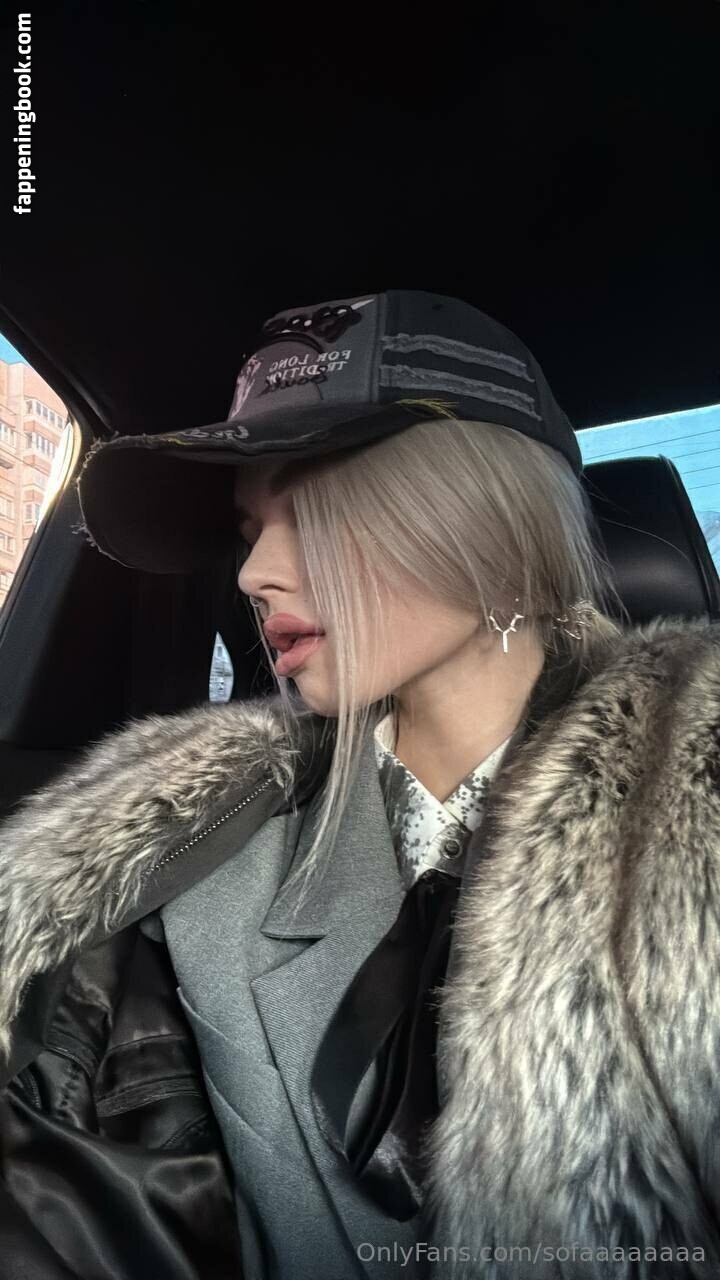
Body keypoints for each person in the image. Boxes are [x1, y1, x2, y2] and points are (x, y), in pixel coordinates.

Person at [1, 289, 719, 1280]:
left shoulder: (699, 811)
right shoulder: (194, 875)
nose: (252, 572)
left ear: (485, 512)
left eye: (311, 505)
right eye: (250, 526)